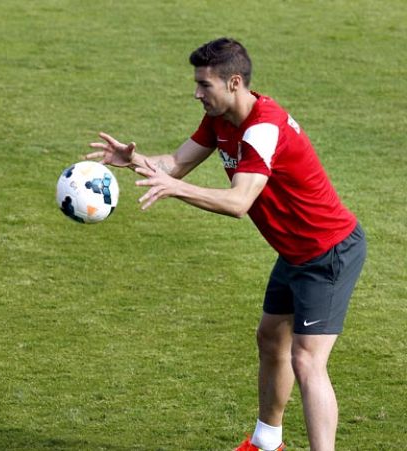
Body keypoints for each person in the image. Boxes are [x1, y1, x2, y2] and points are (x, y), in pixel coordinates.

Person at [87, 37, 366, 451]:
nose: (197, 93)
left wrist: (173, 190)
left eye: (205, 85)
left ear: (234, 83)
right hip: (295, 252)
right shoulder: (222, 120)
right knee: (271, 337)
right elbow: (176, 164)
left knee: (307, 360)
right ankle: (267, 442)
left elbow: (238, 202)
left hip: (328, 253)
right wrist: (136, 161)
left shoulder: (263, 129)